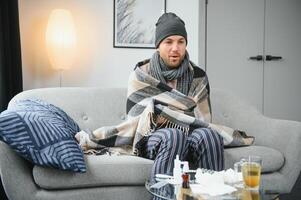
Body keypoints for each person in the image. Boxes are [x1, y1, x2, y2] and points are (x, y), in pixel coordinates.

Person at [126, 12, 224, 179]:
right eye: (168, 42)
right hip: (150, 139)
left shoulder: (198, 76)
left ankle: (212, 194)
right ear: (158, 45)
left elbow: (203, 121)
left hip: (190, 134)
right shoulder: (142, 75)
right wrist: (175, 115)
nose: (175, 48)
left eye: (181, 42)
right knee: (173, 135)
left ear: (186, 44)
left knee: (210, 135)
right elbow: (137, 121)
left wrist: (167, 114)